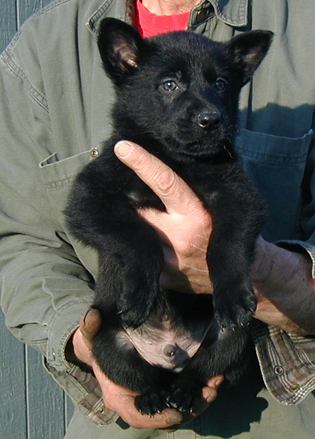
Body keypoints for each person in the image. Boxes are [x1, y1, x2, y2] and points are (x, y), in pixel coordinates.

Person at [1, 0, 315, 437]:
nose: (207, 109)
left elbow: (241, 209)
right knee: (113, 342)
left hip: (268, 402)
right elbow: (26, 236)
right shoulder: (43, 48)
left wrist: (249, 273)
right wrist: (83, 341)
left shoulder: (305, 25)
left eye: (219, 84)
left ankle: (192, 382)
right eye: (171, 85)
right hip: (124, 370)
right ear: (123, 67)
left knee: (232, 339)